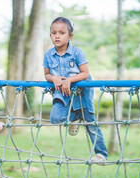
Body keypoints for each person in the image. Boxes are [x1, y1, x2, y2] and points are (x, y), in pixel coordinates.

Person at [43, 17, 108, 163]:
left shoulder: (77, 52)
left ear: (70, 36)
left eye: (62, 33)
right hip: (63, 92)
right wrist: (54, 79)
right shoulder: (48, 55)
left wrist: (70, 80)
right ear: (50, 36)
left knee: (90, 122)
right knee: (55, 118)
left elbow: (85, 73)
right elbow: (47, 74)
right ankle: (74, 119)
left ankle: (101, 154)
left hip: (81, 90)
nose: (57, 36)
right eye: (54, 33)